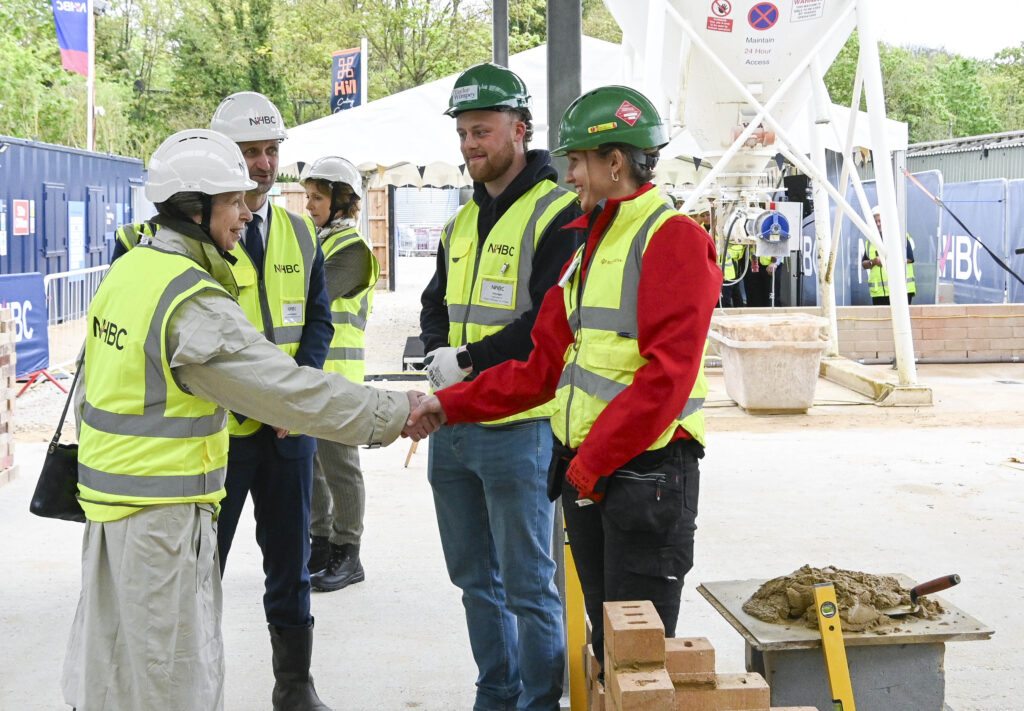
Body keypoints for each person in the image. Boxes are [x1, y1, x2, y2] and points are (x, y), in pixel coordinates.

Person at [61, 129, 436, 711]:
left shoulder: (129, 272)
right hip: (162, 523)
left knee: (115, 676)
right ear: (194, 207)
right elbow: (285, 390)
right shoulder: (191, 300)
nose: (246, 212)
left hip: (111, 517)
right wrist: (393, 412)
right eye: (233, 201)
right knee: (171, 683)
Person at [410, 85, 722, 674]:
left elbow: (667, 380)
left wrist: (590, 461)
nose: (569, 174)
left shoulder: (672, 238)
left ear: (616, 162)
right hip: (595, 474)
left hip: (646, 480)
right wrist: (446, 405)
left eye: (577, 161)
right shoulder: (589, 248)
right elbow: (540, 371)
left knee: (636, 662)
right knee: (609, 653)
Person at [418, 61, 582, 711]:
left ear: (520, 129)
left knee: (528, 584)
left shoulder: (557, 210)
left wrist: (468, 358)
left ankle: (539, 701)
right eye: (462, 133)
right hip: (454, 424)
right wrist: (438, 353)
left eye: (481, 131)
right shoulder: (463, 221)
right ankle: (497, 690)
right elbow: (435, 300)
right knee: (472, 580)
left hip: (521, 424)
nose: (469, 146)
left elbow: (547, 317)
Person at [208, 91, 336, 711]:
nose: (262, 165)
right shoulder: (199, 236)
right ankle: (195, 683)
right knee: (204, 566)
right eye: (249, 152)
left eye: (270, 151)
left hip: (287, 435)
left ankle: (294, 685)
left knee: (292, 563)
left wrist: (296, 400)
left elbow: (318, 322)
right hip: (218, 437)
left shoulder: (296, 230)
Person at [301, 155, 378, 591]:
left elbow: (311, 297)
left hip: (339, 375)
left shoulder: (352, 250)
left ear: (343, 201)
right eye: (308, 196)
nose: (309, 205)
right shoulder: (316, 243)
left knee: (339, 465)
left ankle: (349, 554)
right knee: (313, 464)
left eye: (318, 197)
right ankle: (322, 545)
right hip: (313, 373)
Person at [862, 204, 915, 305]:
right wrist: (873, 262)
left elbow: (909, 258)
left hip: (900, 291)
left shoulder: (899, 236)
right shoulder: (871, 241)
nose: (878, 224)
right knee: (882, 321)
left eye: (880, 221)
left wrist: (886, 262)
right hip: (879, 293)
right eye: (875, 221)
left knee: (899, 320)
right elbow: (864, 263)